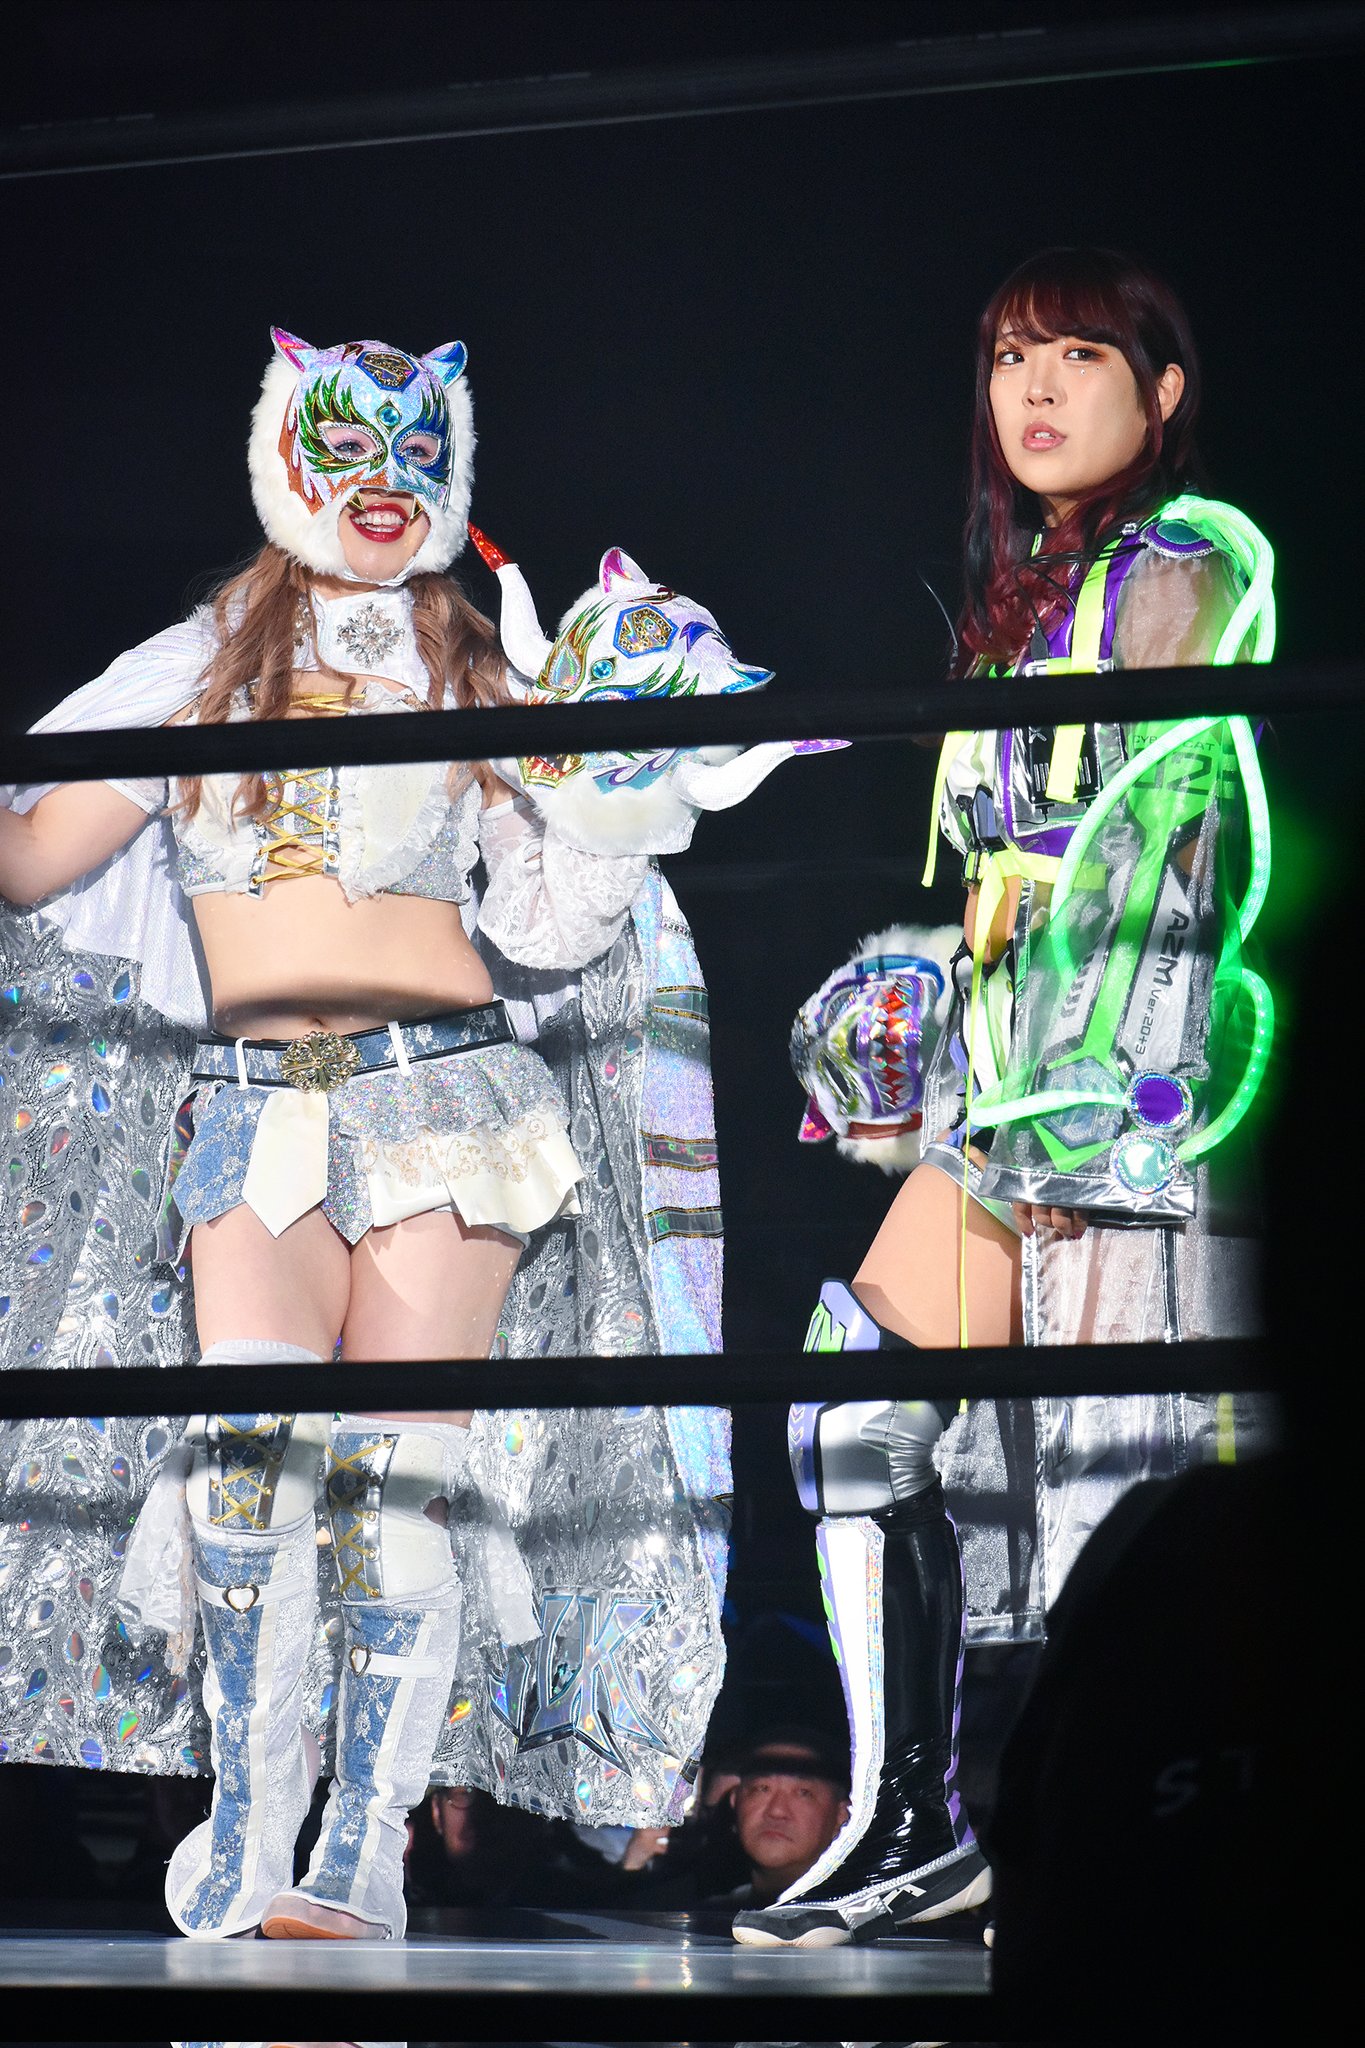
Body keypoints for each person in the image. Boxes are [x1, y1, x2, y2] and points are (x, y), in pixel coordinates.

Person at [0, 327, 813, 1941]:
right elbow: (31, 863)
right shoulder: (193, 669)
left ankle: (362, 1848)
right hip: (251, 1110)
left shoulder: (478, 680)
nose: (382, 482)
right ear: (285, 461)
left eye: (415, 452)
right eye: (347, 448)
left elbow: (550, 929)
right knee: (244, 1480)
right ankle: (250, 1820)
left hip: (444, 1102)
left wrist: (606, 799)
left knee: (392, 1493)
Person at [735, 245, 1276, 1949]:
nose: (1032, 389)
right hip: (1009, 1084)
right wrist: (907, 994)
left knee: (1131, 1495)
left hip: (1125, 1093)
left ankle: (1147, 1848)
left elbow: (1148, 809)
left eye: (1077, 356)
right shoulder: (1029, 596)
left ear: (1160, 393)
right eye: (1007, 358)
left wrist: (1058, 1044)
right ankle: (912, 1823)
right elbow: (1001, 876)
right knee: (851, 1416)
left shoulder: (1185, 558)